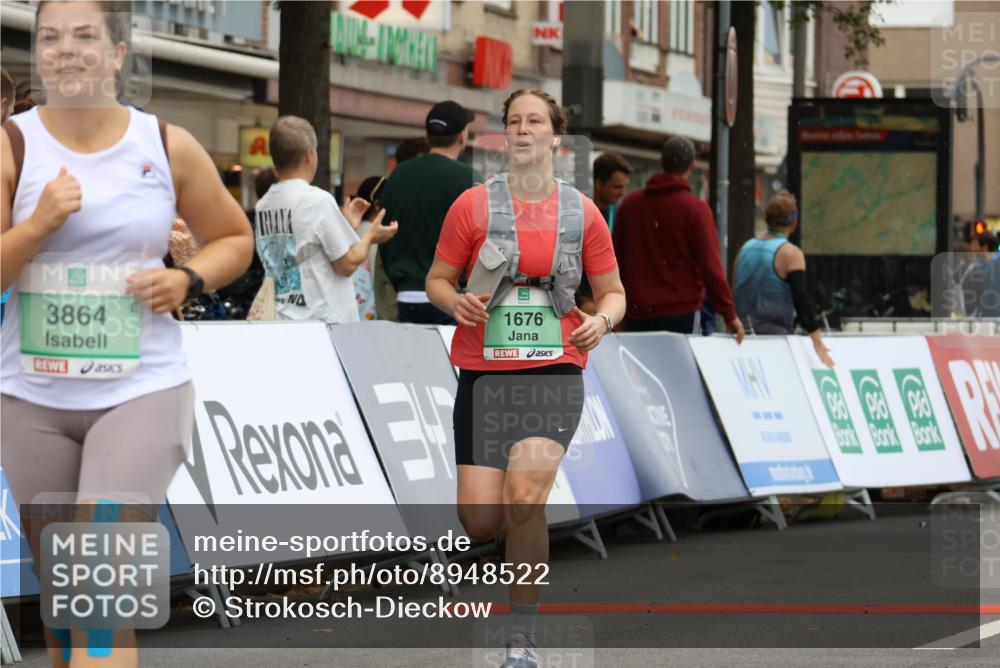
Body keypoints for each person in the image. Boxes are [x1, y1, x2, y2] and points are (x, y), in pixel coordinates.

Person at [0, 2, 254, 665]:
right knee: (65, 605)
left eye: (85, 36)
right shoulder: (12, 145)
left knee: (100, 588)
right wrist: (37, 226)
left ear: (118, 52)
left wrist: (188, 279)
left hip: (142, 391)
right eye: (49, 38)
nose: (65, 50)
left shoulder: (164, 144)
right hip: (32, 401)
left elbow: (234, 238)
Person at [427, 89, 626, 668]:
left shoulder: (582, 212)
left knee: (523, 500)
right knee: (481, 518)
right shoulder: (472, 206)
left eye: (534, 120)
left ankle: (522, 637)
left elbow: (613, 293)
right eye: (513, 121)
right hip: (485, 377)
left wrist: (602, 321)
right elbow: (438, 278)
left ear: (555, 138)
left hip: (555, 371)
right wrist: (454, 302)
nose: (522, 129)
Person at [254, 116, 397, 324]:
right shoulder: (317, 200)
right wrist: (371, 236)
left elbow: (302, 246)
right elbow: (347, 264)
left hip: (282, 318)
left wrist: (344, 224)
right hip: (323, 323)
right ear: (309, 154)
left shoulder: (263, 205)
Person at [613, 136, 744, 341]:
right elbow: (711, 268)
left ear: (661, 163)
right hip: (681, 312)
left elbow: (615, 261)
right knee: (679, 373)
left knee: (642, 372)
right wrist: (729, 314)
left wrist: (615, 311)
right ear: (692, 166)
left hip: (636, 313)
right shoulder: (695, 209)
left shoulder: (630, 205)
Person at [380, 100, 476, 324]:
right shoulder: (468, 178)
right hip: (454, 298)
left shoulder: (399, 174)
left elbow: (384, 235)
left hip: (407, 295)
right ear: (462, 136)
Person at [732, 191, 834, 367]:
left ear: (766, 219)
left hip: (740, 337)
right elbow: (801, 298)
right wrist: (817, 340)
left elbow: (734, 290)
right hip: (773, 339)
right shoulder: (790, 253)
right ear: (794, 222)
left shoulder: (745, 248)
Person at [577, 153, 632, 314]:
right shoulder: (579, 213)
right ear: (598, 184)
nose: (623, 192)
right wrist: (581, 298)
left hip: (611, 301)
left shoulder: (622, 213)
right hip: (583, 302)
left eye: (624, 186)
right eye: (617, 187)